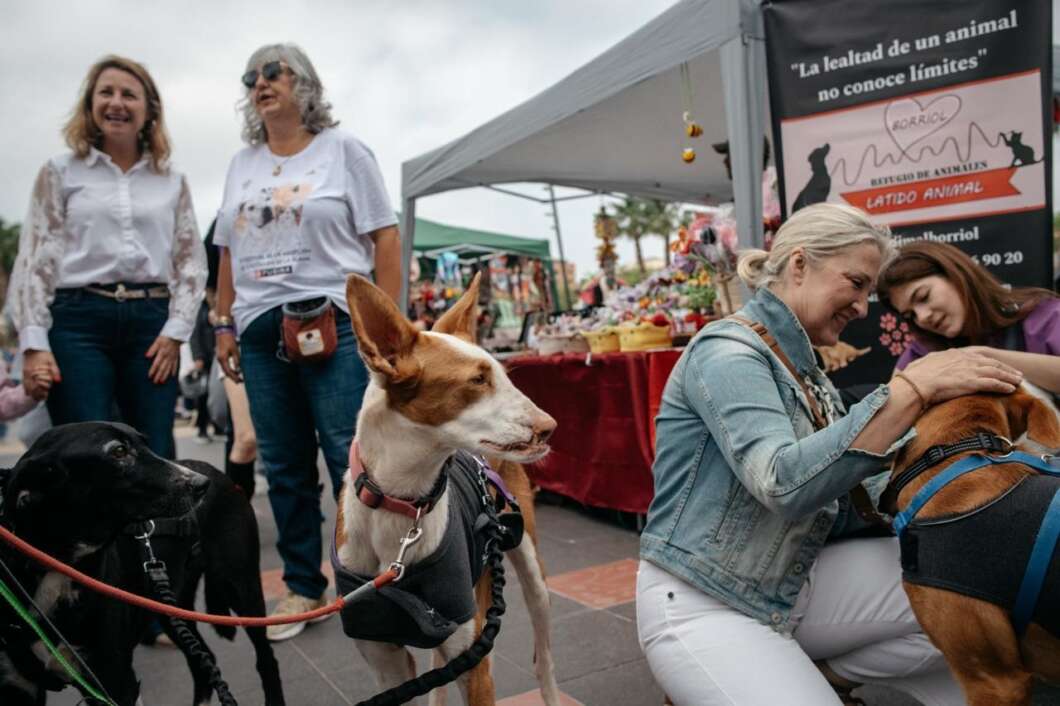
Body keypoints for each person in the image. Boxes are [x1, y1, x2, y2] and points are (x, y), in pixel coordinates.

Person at [636, 203, 1023, 706]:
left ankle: (822, 675)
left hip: (795, 581)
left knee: (971, 588)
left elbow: (848, 499)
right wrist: (910, 391)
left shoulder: (807, 371)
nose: (864, 307)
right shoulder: (727, 351)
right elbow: (782, 483)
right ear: (799, 264)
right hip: (706, 603)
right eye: (857, 283)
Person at [213, 43, 401, 642]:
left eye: (275, 71)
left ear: (305, 83)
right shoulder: (241, 163)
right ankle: (302, 586)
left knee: (356, 454)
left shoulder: (343, 151)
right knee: (285, 466)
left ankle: (378, 580)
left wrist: (387, 327)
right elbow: (226, 250)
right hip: (260, 325)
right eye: (252, 76)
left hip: (336, 321)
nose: (261, 82)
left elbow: (386, 239)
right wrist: (223, 321)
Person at [6, 55, 206, 459]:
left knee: (154, 449)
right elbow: (34, 262)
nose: (117, 102)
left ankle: (155, 526)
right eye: (106, 93)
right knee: (85, 449)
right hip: (77, 323)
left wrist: (176, 330)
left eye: (129, 95)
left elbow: (190, 263)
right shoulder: (59, 172)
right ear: (90, 105)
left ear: (148, 110)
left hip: (152, 327)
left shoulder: (172, 180)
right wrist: (33, 343)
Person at [878, 240, 1060, 393]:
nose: (923, 317)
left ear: (956, 274)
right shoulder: (922, 350)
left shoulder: (1044, 315)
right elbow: (892, 409)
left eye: (923, 297)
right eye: (910, 315)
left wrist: (984, 357)